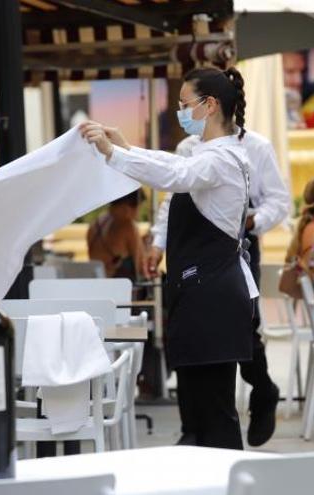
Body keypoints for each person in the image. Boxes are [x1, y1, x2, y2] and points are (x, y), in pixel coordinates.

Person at [80, 66, 255, 450]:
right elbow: (175, 166)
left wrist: (115, 154)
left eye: (184, 104)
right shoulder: (207, 154)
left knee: (215, 416)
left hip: (214, 297)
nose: (179, 111)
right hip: (197, 292)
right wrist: (125, 148)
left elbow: (177, 174)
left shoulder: (223, 158)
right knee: (194, 417)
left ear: (209, 106)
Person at [155, 128, 290, 447]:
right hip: (191, 250)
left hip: (235, 245)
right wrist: (158, 241)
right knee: (190, 331)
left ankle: (262, 390)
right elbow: (171, 194)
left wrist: (251, 221)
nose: (183, 112)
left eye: (188, 103)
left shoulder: (254, 147)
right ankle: (192, 425)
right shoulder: (187, 147)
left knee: (241, 329)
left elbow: (278, 201)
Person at [87, 189, 146, 280]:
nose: (138, 214)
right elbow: (141, 267)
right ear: (129, 207)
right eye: (139, 207)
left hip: (97, 284)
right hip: (120, 290)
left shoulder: (95, 225)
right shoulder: (128, 227)